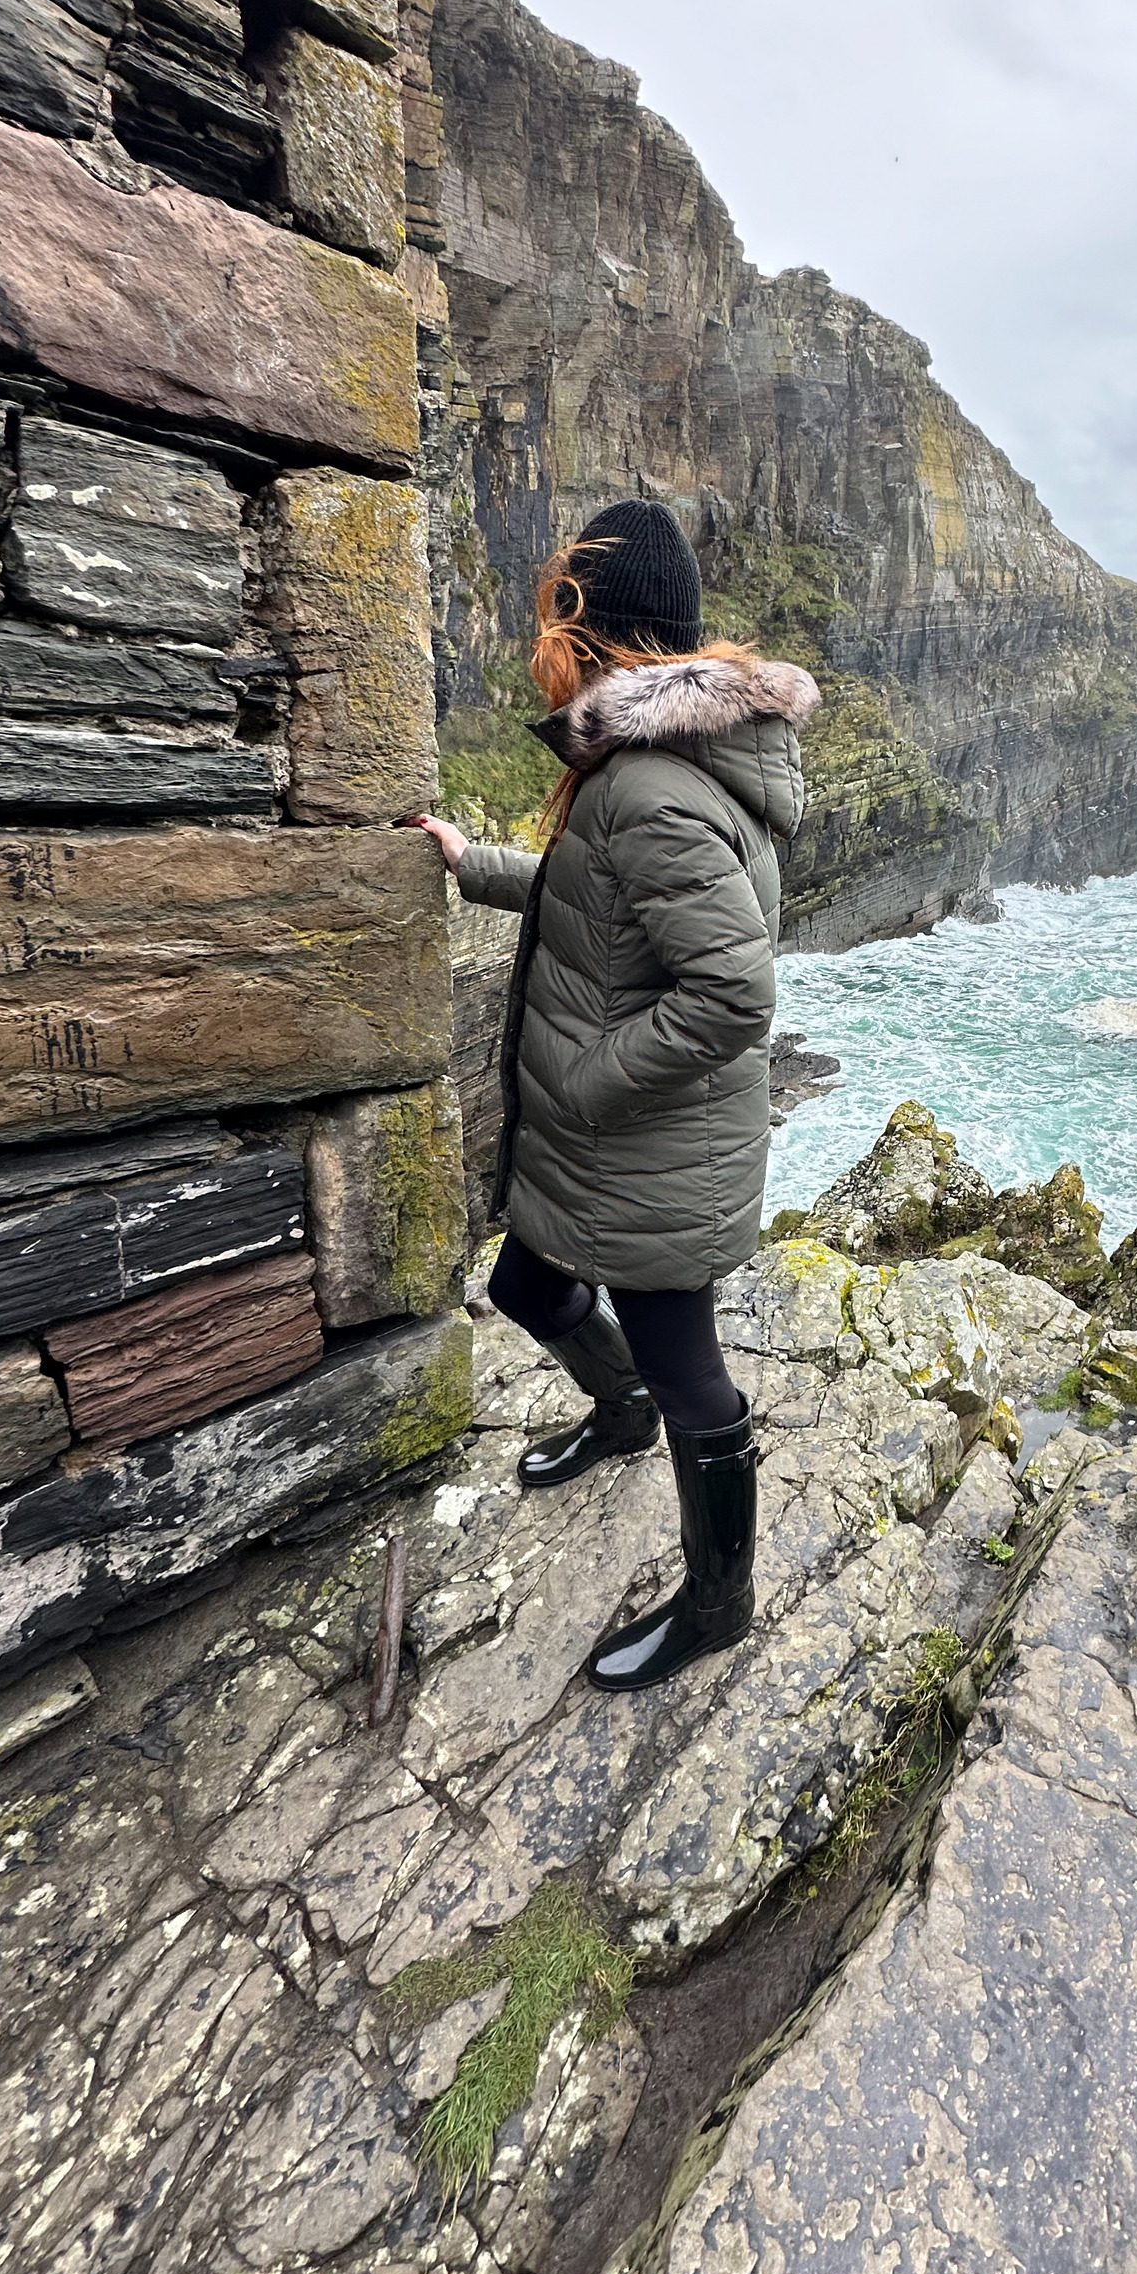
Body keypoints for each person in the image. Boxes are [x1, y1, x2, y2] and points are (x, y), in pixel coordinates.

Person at [417, 499, 818, 1691]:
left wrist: (583, 1083)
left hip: (646, 1152)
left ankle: (716, 1602)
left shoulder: (645, 784)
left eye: (554, 604)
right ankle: (617, 1413)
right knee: (525, 1282)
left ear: (587, 622)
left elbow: (735, 992)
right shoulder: (652, 768)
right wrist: (467, 861)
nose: (539, 629)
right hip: (617, 1145)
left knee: (690, 1368)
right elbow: (592, 894)